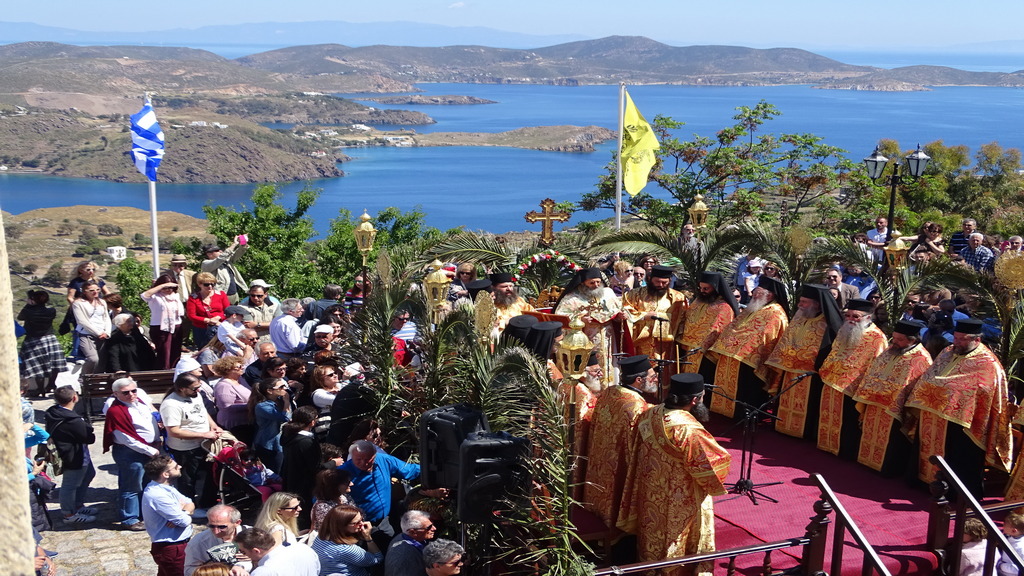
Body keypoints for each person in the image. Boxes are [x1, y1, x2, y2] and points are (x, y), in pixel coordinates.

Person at [618, 373, 731, 575]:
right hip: (682, 498)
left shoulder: (650, 413)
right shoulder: (688, 429)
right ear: (695, 400)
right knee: (676, 539)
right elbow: (714, 464)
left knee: (653, 533)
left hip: (652, 491)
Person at [904, 318, 1012, 499]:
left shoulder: (988, 362)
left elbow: (984, 390)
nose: (957, 342)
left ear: (976, 340)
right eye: (955, 338)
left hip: (963, 423)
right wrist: (938, 387)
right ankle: (923, 482)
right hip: (933, 412)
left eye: (962, 339)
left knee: (960, 455)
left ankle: (955, 493)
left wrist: (947, 389)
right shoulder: (947, 352)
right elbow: (931, 374)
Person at [847, 319, 932, 477]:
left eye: (900, 339)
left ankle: (888, 469)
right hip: (874, 402)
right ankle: (867, 461)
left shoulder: (921, 358)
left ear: (912, 340)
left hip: (894, 409)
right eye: (894, 338)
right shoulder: (890, 350)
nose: (895, 342)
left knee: (892, 441)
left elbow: (916, 387)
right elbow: (873, 370)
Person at [580, 355, 654, 531]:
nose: (656, 379)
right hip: (618, 466)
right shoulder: (636, 404)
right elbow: (638, 443)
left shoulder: (610, 392)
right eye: (652, 377)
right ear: (638, 380)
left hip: (600, 463)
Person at [764, 284, 843, 441]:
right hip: (788, 370)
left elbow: (832, 351)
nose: (800, 305)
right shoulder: (800, 316)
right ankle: (781, 426)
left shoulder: (829, 324)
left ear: (817, 304)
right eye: (800, 301)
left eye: (804, 302)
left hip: (810, 376)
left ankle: (805, 433)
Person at [708, 277, 790, 418]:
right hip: (730, 352)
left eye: (758, 292)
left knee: (746, 389)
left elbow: (765, 337)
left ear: (769, 295)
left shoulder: (776, 313)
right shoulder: (754, 306)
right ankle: (722, 410)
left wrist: (740, 347)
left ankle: (741, 415)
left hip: (749, 359)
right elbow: (735, 326)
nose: (753, 294)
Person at [816, 298, 887, 459]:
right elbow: (835, 352)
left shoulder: (877, 338)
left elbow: (876, 367)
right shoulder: (844, 329)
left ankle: (845, 452)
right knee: (829, 416)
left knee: (847, 423)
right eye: (848, 316)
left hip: (853, 388)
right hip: (832, 381)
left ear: (868, 317)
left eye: (856, 317)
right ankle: (826, 445)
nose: (850, 320)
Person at [103, 376, 161, 530]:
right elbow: (126, 438)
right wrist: (151, 451)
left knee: (146, 483)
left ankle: (143, 513)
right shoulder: (116, 411)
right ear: (116, 394)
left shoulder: (139, 403)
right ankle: (129, 518)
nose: (131, 394)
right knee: (131, 486)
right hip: (130, 452)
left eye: (133, 390)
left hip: (147, 449)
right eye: (126, 393)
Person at [161, 373, 223, 511]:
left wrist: (213, 425)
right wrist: (204, 434)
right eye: (194, 388)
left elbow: (202, 411)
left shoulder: (195, 395)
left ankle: (208, 504)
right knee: (187, 481)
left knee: (208, 475)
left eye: (199, 387)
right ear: (182, 389)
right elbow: (174, 431)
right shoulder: (171, 404)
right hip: (185, 449)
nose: (198, 390)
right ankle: (189, 508)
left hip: (203, 445)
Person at [555, 268, 623, 388]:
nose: (596, 285)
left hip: (608, 338)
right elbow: (560, 317)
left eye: (598, 282)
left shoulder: (607, 293)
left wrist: (620, 316)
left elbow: (618, 309)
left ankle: (608, 391)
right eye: (592, 283)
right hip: (585, 340)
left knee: (609, 366)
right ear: (583, 283)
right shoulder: (572, 298)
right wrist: (580, 320)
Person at [341, 440, 424, 538]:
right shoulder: (342, 473)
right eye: (358, 459)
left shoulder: (383, 460)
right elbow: (325, 493)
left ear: (374, 456)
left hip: (385, 521)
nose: (364, 463)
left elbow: (408, 470)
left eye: (368, 459)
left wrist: (429, 469)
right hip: (360, 526)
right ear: (351, 457)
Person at [44, 386, 98, 525]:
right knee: (70, 485)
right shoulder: (73, 420)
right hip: (73, 456)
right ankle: (69, 514)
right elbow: (89, 438)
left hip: (72, 453)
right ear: (74, 398)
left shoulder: (53, 412)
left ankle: (78, 505)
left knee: (88, 474)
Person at [676, 271, 738, 386]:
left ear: (715, 288)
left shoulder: (724, 307)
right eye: (701, 288)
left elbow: (718, 329)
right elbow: (687, 318)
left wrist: (702, 347)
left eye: (706, 289)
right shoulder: (698, 301)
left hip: (705, 353)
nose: (702, 291)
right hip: (688, 348)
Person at [621, 265, 687, 371]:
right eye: (657, 282)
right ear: (650, 279)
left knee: (664, 372)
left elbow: (683, 319)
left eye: (664, 282)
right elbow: (625, 310)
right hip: (640, 343)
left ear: (669, 281)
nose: (660, 285)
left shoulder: (678, 298)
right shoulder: (634, 294)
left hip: (666, 345)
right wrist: (643, 316)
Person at [281, 406, 336, 526]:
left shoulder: (288, 436)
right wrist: (334, 463)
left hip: (291, 479)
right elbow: (316, 468)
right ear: (312, 422)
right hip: (305, 485)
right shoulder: (307, 442)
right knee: (304, 515)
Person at [141, 455, 195, 576]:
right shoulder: (158, 495)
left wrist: (183, 511)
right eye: (176, 467)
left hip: (176, 547)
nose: (180, 466)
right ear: (165, 474)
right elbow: (184, 521)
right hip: (172, 549)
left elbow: (190, 502)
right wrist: (183, 513)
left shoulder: (166, 487)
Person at [311, 504, 384, 576]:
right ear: (342, 526)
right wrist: (368, 537)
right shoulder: (346, 549)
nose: (362, 524)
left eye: (362, 519)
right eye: (356, 523)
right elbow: (377, 559)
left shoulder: (320, 537)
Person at [18, 289, 65, 396]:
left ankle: (40, 389)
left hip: (33, 339)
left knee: (37, 367)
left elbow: (20, 317)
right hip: (49, 338)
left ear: (33, 300)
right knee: (54, 364)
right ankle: (51, 384)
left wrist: (29, 304)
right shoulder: (51, 311)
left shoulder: (28, 311)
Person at [183, 504, 253, 576]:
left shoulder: (254, 535)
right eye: (211, 526)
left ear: (237, 523)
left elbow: (264, 560)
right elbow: (188, 570)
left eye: (222, 527)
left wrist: (253, 557)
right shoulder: (198, 542)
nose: (216, 531)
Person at [235, 527, 320, 576]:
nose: (244, 555)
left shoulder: (263, 572)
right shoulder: (304, 549)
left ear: (256, 551)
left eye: (243, 552)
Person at [142, 274, 186, 370]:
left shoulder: (175, 296)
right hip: (160, 327)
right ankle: (163, 373)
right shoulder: (155, 297)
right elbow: (144, 295)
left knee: (175, 353)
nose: (168, 290)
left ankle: (174, 372)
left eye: (171, 287)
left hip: (176, 326)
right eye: (166, 287)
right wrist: (161, 286)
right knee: (164, 354)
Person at [249, 377, 292, 473]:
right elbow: (285, 417)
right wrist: (286, 402)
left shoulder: (280, 401)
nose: (284, 389)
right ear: (270, 391)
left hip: (283, 441)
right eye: (281, 387)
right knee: (276, 471)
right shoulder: (262, 406)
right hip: (270, 443)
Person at [72, 279, 111, 375]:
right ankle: (83, 378)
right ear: (85, 291)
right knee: (93, 359)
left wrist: (107, 332)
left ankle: (97, 382)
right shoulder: (78, 303)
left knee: (101, 361)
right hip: (87, 334)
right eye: (92, 290)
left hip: (103, 334)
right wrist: (97, 333)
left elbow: (106, 318)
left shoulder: (102, 302)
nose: (95, 292)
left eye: (97, 289)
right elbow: (82, 321)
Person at [385, 509, 435, 576]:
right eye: (429, 527)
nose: (434, 528)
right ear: (413, 532)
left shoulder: (404, 536)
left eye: (433, 524)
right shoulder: (405, 556)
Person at [187, 271, 230, 349]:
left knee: (221, 350)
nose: (210, 286)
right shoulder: (193, 298)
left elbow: (228, 311)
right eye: (206, 284)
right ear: (200, 284)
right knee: (203, 351)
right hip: (201, 329)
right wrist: (207, 320)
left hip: (219, 326)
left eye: (212, 284)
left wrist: (218, 317)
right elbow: (191, 316)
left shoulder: (221, 294)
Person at [201, 240, 249, 304]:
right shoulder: (206, 264)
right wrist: (234, 244)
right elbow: (221, 258)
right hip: (220, 296)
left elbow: (239, 253)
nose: (221, 251)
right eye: (217, 250)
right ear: (209, 254)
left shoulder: (226, 261)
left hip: (234, 295)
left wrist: (243, 241)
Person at [212, 356, 252, 431]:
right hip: (234, 424)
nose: (242, 368)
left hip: (246, 421)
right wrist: (252, 405)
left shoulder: (241, 380)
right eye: (239, 367)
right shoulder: (223, 386)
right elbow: (227, 408)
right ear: (228, 370)